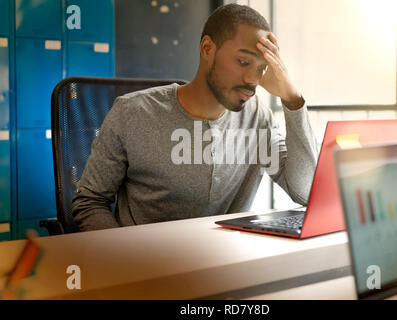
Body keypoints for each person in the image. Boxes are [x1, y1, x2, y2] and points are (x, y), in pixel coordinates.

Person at [72, 4, 319, 231]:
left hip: (225, 265)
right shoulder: (131, 112)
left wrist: (292, 99)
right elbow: (89, 201)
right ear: (207, 48)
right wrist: (122, 261)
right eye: (243, 61)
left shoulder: (258, 118)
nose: (252, 79)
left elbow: (306, 193)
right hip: (145, 265)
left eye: (260, 68)